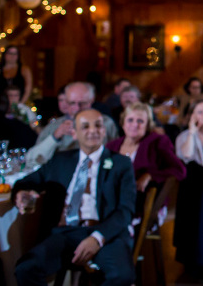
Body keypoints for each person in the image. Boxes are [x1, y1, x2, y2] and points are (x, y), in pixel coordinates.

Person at [12, 109, 136, 286]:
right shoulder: (61, 160)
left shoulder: (120, 164)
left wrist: (97, 238)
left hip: (105, 233)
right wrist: (20, 193)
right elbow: (27, 181)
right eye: (85, 127)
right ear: (74, 133)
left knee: (122, 276)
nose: (93, 130)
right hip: (65, 232)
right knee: (25, 268)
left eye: (98, 125)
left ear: (104, 130)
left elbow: (126, 210)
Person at [105, 103, 186, 218]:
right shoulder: (111, 147)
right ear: (123, 123)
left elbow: (180, 170)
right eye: (130, 120)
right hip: (111, 199)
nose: (134, 125)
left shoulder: (157, 142)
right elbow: (104, 170)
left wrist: (150, 176)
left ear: (148, 124)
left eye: (140, 121)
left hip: (142, 204)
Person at [26, 82, 119, 166]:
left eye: (82, 103)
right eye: (72, 103)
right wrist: (55, 137)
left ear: (91, 101)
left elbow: (116, 156)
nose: (77, 108)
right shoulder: (55, 126)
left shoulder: (106, 123)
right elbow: (31, 160)